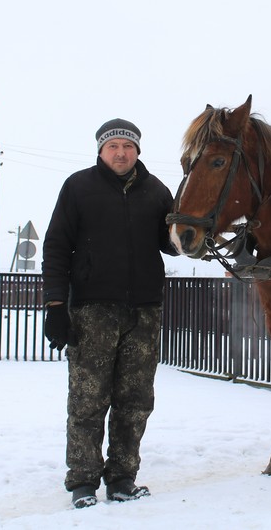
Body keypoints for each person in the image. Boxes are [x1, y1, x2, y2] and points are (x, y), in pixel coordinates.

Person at [42, 118, 177, 509]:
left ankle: (122, 477)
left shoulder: (156, 192)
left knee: (135, 400)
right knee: (87, 400)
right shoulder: (78, 187)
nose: (121, 152)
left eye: (128, 146)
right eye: (113, 146)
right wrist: (55, 306)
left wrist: (192, 230)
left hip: (144, 312)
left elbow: (172, 243)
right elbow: (56, 248)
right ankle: (83, 480)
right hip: (92, 310)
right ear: (101, 150)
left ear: (138, 151)